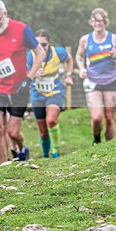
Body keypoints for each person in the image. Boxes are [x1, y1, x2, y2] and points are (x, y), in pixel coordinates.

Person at [0, 0, 44, 163]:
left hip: (18, 87)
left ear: (5, 15)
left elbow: (40, 53)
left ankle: (21, 149)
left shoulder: (22, 29)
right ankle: (4, 164)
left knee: (13, 133)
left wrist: (29, 78)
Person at [75, 8, 116, 145]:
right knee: (97, 118)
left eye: (100, 20)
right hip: (92, 81)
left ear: (105, 22)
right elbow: (79, 56)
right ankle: (97, 140)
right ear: (91, 22)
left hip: (111, 81)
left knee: (109, 117)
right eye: (95, 20)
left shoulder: (114, 39)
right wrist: (81, 68)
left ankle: (109, 147)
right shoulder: (85, 40)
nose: (98, 23)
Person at [27, 30, 73, 158]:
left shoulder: (58, 52)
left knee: (51, 121)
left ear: (49, 44)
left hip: (55, 92)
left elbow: (69, 59)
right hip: (37, 94)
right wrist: (33, 74)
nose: (41, 48)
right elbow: (24, 72)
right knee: (43, 131)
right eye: (38, 45)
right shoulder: (30, 55)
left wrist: (69, 75)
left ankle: (56, 152)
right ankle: (45, 156)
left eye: (44, 44)